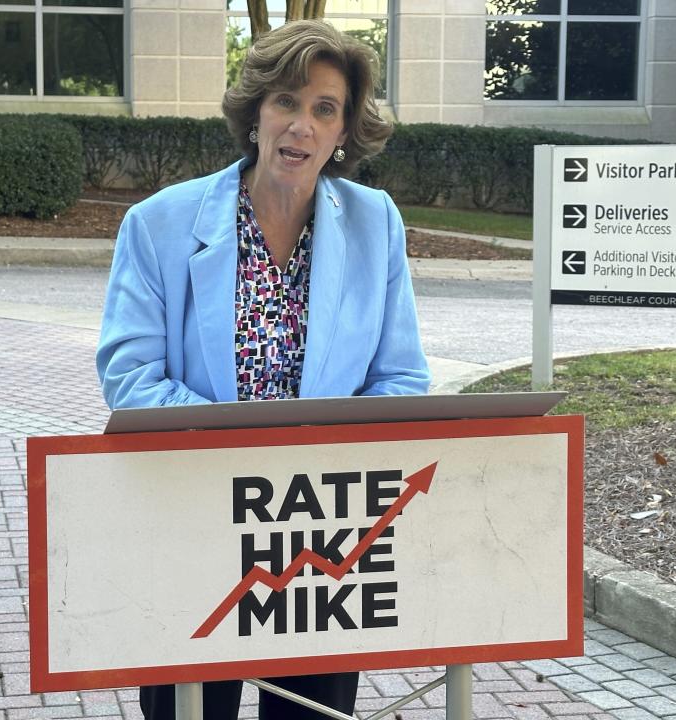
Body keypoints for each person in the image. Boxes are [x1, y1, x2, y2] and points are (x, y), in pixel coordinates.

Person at [96, 18, 431, 720]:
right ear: (254, 116)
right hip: (195, 520)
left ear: (344, 132)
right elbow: (130, 377)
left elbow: (400, 378)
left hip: (323, 539)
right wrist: (246, 450)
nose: (300, 126)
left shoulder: (377, 223)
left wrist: (321, 459)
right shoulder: (158, 223)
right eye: (285, 102)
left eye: (324, 108)